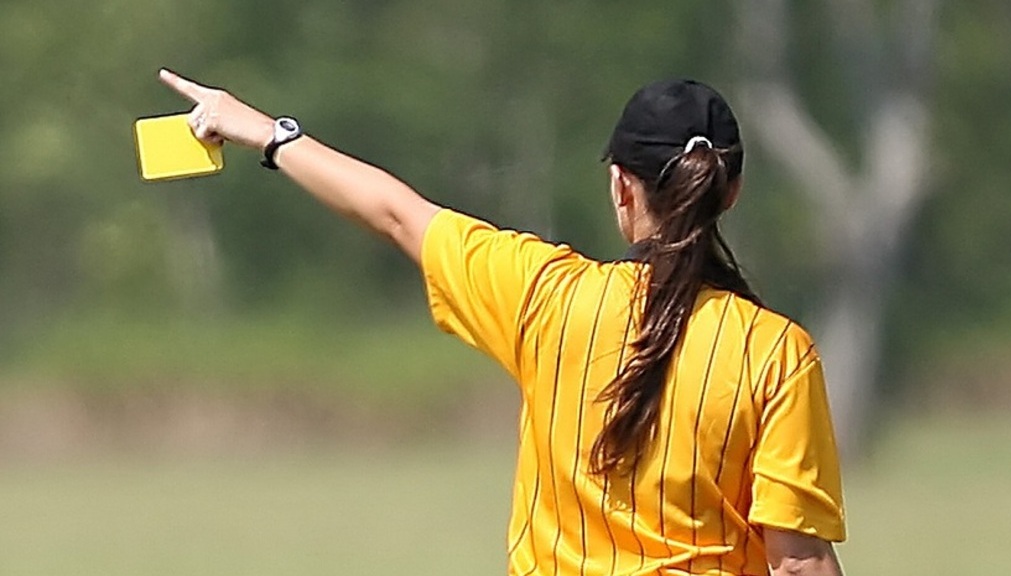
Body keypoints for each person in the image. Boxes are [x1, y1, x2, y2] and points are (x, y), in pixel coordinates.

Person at [159, 69, 846, 576]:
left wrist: (267, 133)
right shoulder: (778, 353)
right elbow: (799, 565)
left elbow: (396, 212)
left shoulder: (545, 296)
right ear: (732, 192)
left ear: (622, 188)